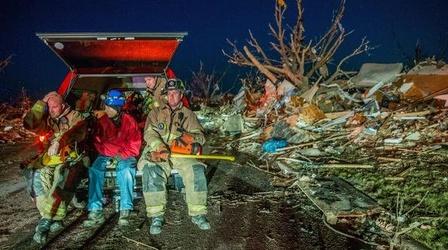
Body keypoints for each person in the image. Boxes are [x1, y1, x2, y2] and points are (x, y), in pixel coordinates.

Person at [137, 79, 210, 235]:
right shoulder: (155, 113)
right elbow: (149, 133)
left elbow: (201, 136)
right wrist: (159, 146)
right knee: (151, 171)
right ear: (165, 95)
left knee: (196, 169)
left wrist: (189, 138)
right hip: (160, 153)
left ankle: (198, 213)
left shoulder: (188, 114)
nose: (171, 96)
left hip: (180, 154)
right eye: (169, 93)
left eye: (175, 93)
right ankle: (157, 216)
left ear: (180, 94)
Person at [22, 91, 87, 244]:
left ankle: (47, 220)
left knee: (62, 177)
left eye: (55, 107)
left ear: (63, 105)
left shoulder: (76, 116)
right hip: (50, 159)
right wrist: (41, 104)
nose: (51, 110)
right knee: (37, 177)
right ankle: (51, 216)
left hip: (73, 158)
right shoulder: (49, 120)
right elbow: (29, 124)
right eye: (49, 107)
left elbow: (77, 132)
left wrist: (60, 141)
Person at [83, 89, 142, 227]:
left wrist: (119, 156)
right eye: (106, 106)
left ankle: (125, 209)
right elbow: (98, 142)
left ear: (117, 108)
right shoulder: (102, 121)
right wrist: (107, 153)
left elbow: (134, 145)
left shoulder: (129, 121)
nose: (106, 109)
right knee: (95, 170)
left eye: (109, 107)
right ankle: (95, 210)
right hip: (106, 154)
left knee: (126, 170)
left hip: (125, 155)